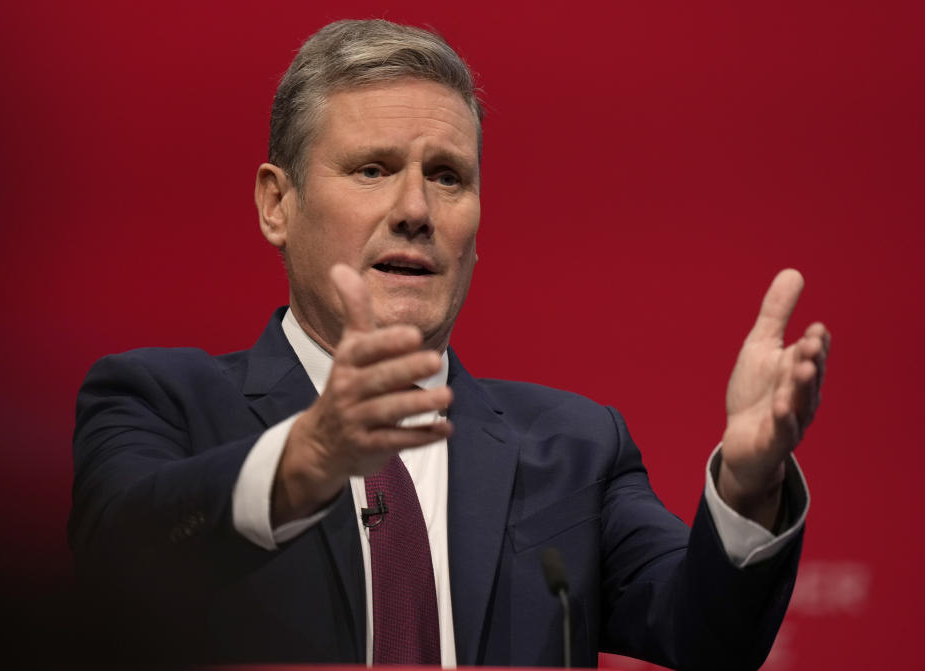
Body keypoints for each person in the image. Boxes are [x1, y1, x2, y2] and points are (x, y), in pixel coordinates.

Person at [69, 19, 830, 669]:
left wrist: (746, 485)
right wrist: (303, 459)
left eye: (447, 177)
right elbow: (113, 563)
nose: (414, 209)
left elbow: (709, 634)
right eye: (372, 169)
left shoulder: (577, 447)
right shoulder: (159, 400)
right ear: (278, 203)